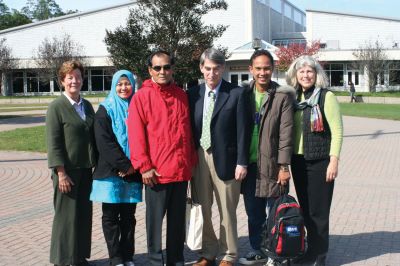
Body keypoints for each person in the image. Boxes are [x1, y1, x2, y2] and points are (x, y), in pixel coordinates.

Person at [127, 50, 197, 266]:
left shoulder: (181, 95)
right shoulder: (141, 97)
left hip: (180, 172)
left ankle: (176, 259)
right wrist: (144, 167)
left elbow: (186, 133)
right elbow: (136, 135)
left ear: (172, 69)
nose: (162, 71)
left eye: (166, 67)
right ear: (150, 70)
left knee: (177, 224)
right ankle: (156, 261)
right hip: (156, 174)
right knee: (155, 224)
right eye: (157, 68)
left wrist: (190, 162)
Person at [188, 48, 251, 266]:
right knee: (203, 208)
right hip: (199, 158)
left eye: (216, 69)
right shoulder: (193, 94)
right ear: (201, 68)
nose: (212, 73)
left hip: (227, 161)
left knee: (227, 210)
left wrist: (242, 161)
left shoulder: (237, 93)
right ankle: (208, 252)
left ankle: (229, 253)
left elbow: (244, 131)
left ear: (222, 68)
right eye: (208, 68)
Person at [238, 50, 295, 265]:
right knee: (254, 213)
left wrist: (284, 166)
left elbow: (286, 134)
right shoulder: (242, 94)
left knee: (275, 212)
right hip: (249, 165)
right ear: (251, 69)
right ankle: (258, 250)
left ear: (273, 69)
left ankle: (277, 253)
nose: (263, 73)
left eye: (267, 68)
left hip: (272, 165)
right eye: (258, 68)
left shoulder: (283, 96)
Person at [286, 55, 343, 266]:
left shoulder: (326, 97)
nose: (305, 75)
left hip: (320, 162)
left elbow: (337, 131)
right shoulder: (294, 98)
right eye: (301, 71)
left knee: (319, 211)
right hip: (299, 161)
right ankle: (310, 249)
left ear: (316, 74)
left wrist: (334, 160)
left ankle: (320, 254)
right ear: (295, 74)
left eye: (309, 71)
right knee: (306, 209)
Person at [46, 60, 97, 266]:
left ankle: (78, 257)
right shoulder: (56, 107)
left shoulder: (86, 105)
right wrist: (61, 173)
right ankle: (63, 260)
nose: (74, 81)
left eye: (78, 77)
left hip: (86, 169)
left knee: (83, 215)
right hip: (67, 171)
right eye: (70, 77)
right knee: (66, 217)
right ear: (62, 81)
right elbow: (53, 142)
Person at [90, 70, 142, 266]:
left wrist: (133, 166)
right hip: (111, 173)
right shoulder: (105, 109)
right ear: (113, 86)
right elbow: (104, 142)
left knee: (129, 217)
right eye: (119, 84)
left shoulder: (138, 106)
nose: (123, 88)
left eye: (127, 83)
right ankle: (116, 258)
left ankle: (128, 256)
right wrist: (124, 164)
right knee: (111, 217)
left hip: (134, 171)